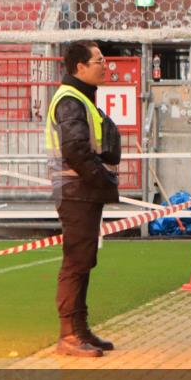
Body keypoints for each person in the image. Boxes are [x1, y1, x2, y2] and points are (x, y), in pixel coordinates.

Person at [45, 40, 122, 357]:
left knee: (84, 259)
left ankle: (81, 329)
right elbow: (75, 150)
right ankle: (69, 335)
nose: (105, 65)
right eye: (99, 60)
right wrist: (102, 178)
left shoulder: (81, 98)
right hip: (76, 190)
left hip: (82, 190)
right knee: (76, 261)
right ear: (80, 67)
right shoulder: (70, 100)